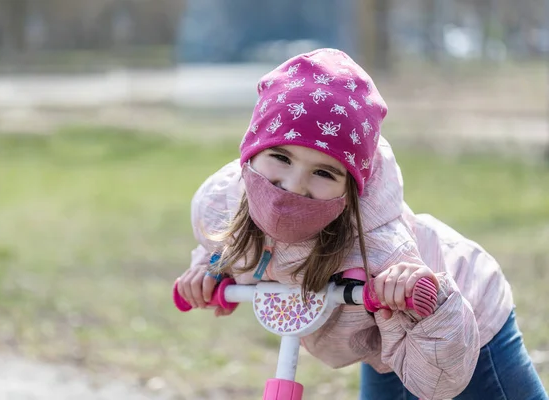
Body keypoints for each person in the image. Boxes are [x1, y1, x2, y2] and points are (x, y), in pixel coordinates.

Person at [175, 48, 548, 400]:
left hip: (458, 319)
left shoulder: (377, 248)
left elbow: (439, 381)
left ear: (350, 188)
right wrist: (211, 272)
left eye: (323, 172)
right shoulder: (222, 203)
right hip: (384, 339)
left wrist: (425, 301)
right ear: (252, 152)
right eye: (281, 157)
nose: (295, 187)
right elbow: (227, 247)